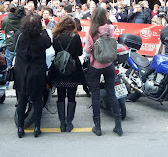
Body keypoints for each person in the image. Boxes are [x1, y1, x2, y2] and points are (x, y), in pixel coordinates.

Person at [84, 7, 123, 136]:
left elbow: (87, 49)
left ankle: (98, 127)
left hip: (95, 65)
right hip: (109, 64)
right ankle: (118, 125)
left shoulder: (91, 30)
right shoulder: (110, 28)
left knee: (95, 95)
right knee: (112, 93)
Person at [14, 14, 52, 138]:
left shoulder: (19, 36)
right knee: (37, 100)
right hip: (37, 73)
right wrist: (44, 29)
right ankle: (37, 127)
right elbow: (48, 42)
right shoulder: (41, 38)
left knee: (22, 100)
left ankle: (20, 128)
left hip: (22, 73)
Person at [50, 16, 84, 132]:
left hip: (59, 69)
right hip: (73, 69)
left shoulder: (56, 37)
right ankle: (69, 123)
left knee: (60, 96)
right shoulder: (75, 37)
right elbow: (80, 52)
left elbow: (54, 51)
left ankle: (62, 123)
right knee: (71, 96)